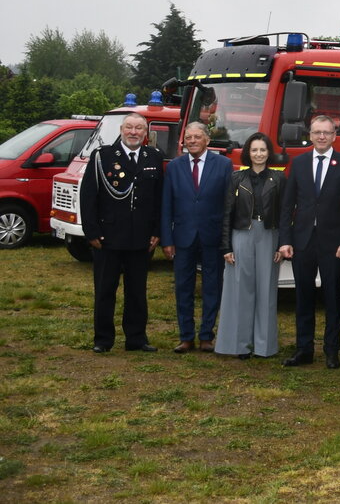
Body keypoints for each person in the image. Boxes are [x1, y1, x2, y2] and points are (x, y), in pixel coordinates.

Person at [79, 113, 164, 354]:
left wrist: (157, 230)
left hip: (140, 238)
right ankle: (103, 339)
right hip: (108, 237)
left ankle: (136, 339)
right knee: (105, 290)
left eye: (139, 128)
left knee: (137, 292)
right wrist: (91, 231)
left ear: (145, 133)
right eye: (129, 127)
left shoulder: (154, 157)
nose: (133, 132)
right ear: (121, 130)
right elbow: (88, 195)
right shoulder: (103, 156)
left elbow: (158, 198)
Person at [279, 114, 340, 368]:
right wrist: (285, 239)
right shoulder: (299, 163)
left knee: (332, 297)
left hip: (333, 243)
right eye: (317, 132)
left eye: (326, 132)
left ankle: (332, 350)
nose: (321, 136)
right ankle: (304, 349)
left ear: (334, 136)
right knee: (303, 297)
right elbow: (287, 204)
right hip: (302, 240)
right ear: (310, 136)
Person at [162, 121, 232, 353]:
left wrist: (227, 240)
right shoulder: (174, 166)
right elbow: (166, 205)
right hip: (183, 237)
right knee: (183, 288)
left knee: (213, 287)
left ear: (207, 140)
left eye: (197, 137)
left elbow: (228, 205)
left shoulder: (224, 165)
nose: (192, 141)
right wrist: (167, 239)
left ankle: (206, 336)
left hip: (213, 237)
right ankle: (186, 337)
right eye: (188, 137)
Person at [216, 132, 285, 359]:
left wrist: (282, 244)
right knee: (240, 290)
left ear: (269, 152)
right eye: (254, 150)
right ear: (248, 153)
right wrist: (226, 247)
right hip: (241, 235)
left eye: (263, 150)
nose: (259, 154)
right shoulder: (236, 178)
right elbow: (227, 213)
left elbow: (285, 214)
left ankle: (264, 346)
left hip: (269, 235)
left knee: (266, 290)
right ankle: (240, 344)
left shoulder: (279, 178)